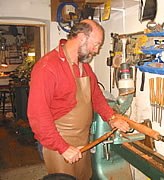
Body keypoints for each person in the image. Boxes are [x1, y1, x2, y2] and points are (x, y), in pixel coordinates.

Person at [27, 19, 130, 180]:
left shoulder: (84, 66)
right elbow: (38, 116)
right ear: (82, 37)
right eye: (95, 44)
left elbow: (96, 96)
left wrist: (111, 117)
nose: (96, 51)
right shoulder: (48, 67)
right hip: (57, 143)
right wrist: (63, 147)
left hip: (82, 141)